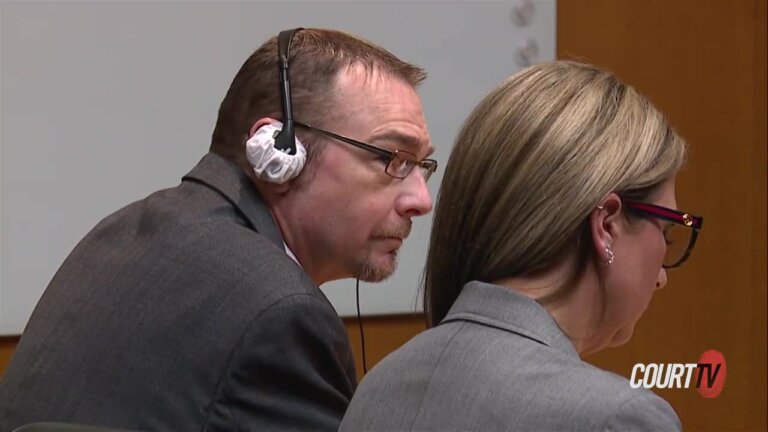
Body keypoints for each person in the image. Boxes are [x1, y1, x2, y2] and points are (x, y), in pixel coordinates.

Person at [0, 28, 436, 431]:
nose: (421, 200)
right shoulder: (281, 314)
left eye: (421, 166)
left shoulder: (119, 234)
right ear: (280, 153)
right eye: (392, 159)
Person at [340, 60, 703, 431]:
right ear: (606, 224)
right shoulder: (616, 417)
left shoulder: (377, 389)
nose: (661, 277)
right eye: (668, 232)